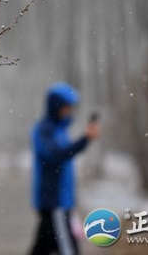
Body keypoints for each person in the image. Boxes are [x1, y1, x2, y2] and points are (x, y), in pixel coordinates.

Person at [29, 82, 100, 255]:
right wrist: (84, 140)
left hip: (62, 201)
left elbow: (64, 154)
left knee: (43, 248)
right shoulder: (45, 131)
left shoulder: (59, 130)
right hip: (55, 201)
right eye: (66, 106)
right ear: (56, 106)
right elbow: (57, 155)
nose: (69, 110)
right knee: (68, 249)